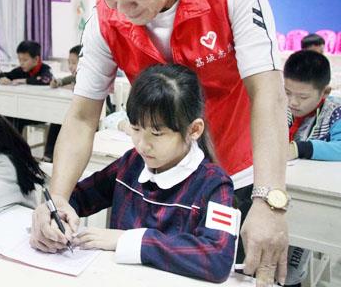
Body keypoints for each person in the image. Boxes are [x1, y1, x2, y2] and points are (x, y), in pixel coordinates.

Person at [30, 0, 289, 286]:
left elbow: (268, 94)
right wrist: (57, 201)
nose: (122, 7)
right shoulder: (103, 21)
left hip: (238, 174)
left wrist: (270, 199)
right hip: (161, 174)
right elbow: (82, 117)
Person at [70, 64, 236, 282]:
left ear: (194, 130)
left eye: (157, 133)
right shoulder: (132, 163)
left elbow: (217, 258)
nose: (142, 145)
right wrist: (58, 211)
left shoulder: (214, 185)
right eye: (136, 129)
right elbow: (80, 196)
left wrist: (129, 241)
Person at [283, 51, 340, 286]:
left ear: (324, 92)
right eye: (287, 92)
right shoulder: (278, 104)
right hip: (280, 185)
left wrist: (303, 148)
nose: (293, 102)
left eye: (303, 96)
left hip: (310, 194)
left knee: (294, 255)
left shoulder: (335, 112)